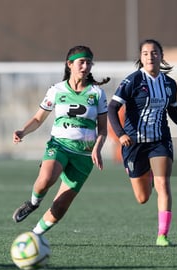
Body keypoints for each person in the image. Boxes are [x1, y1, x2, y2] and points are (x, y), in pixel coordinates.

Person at [107, 39, 177, 246]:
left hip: (160, 141)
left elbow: (173, 111)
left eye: (154, 52)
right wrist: (121, 133)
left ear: (161, 56)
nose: (150, 56)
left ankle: (162, 235)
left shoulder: (169, 84)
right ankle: (145, 174)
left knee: (163, 185)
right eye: (145, 53)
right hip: (134, 144)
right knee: (142, 198)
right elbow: (112, 108)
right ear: (141, 58)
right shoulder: (132, 81)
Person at [12, 45, 110, 236]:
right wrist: (22, 131)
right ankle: (33, 203)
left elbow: (103, 129)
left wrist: (97, 148)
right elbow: (38, 118)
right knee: (46, 178)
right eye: (81, 62)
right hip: (59, 146)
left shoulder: (97, 93)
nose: (85, 66)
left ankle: (34, 236)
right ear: (70, 64)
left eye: (89, 63)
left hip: (83, 154)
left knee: (61, 206)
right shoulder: (56, 90)